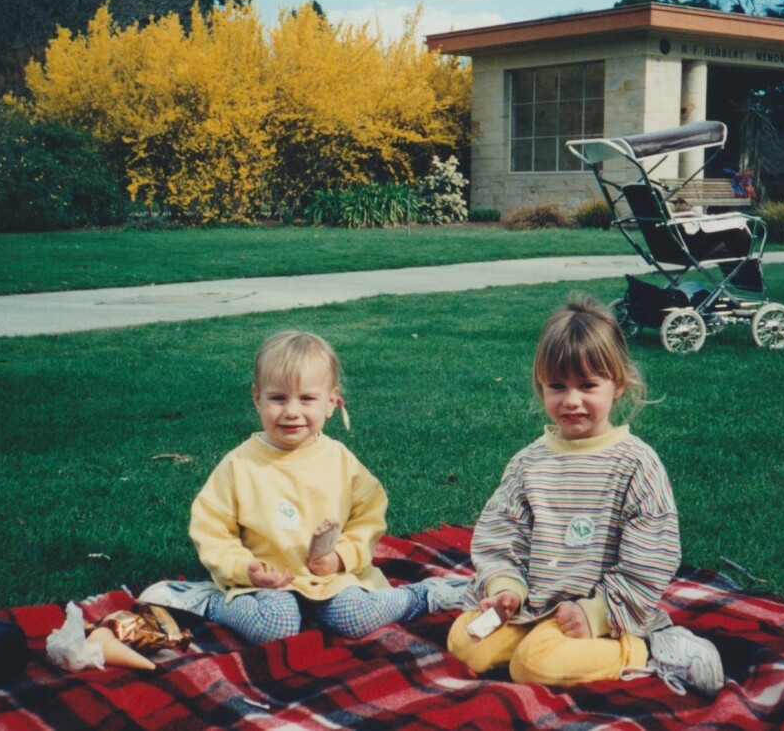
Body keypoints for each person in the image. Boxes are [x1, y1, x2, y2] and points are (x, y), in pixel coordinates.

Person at [446, 296, 724, 698]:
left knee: (533, 664)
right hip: (532, 606)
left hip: (604, 617)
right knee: (464, 642)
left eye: (588, 385)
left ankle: (645, 650)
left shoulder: (635, 464)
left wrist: (598, 612)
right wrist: (505, 589)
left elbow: (651, 557)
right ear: (540, 386)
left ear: (618, 385)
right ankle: (535, 638)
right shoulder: (529, 463)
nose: (572, 400)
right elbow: (500, 533)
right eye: (557, 386)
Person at [141, 330, 466, 643]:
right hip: (269, 583)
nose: (292, 412)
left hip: (330, 578)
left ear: (331, 402)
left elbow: (368, 518)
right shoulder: (240, 465)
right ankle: (206, 601)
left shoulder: (339, 460)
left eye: (307, 399)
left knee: (355, 618)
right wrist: (247, 569)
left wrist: (340, 557)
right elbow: (212, 530)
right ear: (257, 398)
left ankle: (421, 596)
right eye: (278, 398)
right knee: (277, 625)